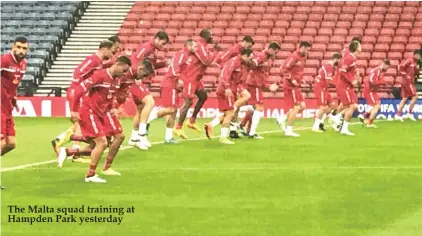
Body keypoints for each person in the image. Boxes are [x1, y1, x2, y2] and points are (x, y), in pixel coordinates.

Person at [63, 56, 131, 183]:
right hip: (90, 111)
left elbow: (109, 97)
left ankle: (69, 150)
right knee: (102, 143)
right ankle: (90, 175)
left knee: (113, 138)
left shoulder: (116, 80)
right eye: (124, 70)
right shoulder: (100, 75)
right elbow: (78, 90)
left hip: (103, 113)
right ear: (118, 64)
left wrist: (114, 109)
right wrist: (74, 110)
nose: (125, 73)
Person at [51, 41, 116, 160]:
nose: (112, 54)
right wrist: (78, 87)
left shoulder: (98, 61)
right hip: (78, 93)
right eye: (112, 51)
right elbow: (78, 72)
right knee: (83, 122)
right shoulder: (93, 60)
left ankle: (64, 141)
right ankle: (71, 147)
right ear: (105, 49)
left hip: (81, 93)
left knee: (82, 124)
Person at [147, 39, 197, 143]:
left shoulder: (187, 56)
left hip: (174, 85)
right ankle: (147, 120)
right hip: (170, 84)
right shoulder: (182, 54)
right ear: (188, 46)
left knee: (173, 112)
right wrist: (179, 78)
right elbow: (175, 67)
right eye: (194, 46)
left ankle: (168, 137)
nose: (196, 49)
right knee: (170, 109)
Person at [174, 29, 220, 138]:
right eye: (211, 35)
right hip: (190, 77)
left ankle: (192, 120)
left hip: (196, 78)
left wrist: (212, 51)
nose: (212, 37)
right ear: (206, 36)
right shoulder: (200, 46)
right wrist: (215, 52)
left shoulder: (203, 46)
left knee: (203, 96)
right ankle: (178, 127)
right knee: (188, 102)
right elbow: (206, 61)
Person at [208, 36, 255, 138]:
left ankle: (220, 127)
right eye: (249, 45)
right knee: (234, 108)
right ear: (245, 42)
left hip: (234, 83)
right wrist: (227, 84)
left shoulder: (242, 59)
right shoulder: (234, 53)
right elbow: (221, 62)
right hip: (230, 83)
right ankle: (226, 134)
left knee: (232, 111)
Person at [0, 36, 29, 190]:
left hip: (7, 108)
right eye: (18, 47)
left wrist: (14, 96)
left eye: (24, 48)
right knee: (2, 142)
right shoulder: (4, 60)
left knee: (11, 144)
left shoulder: (23, 64)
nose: (21, 51)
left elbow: (13, 84)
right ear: (13, 46)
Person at [239, 42, 281, 139]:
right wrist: (267, 86)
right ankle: (251, 132)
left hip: (256, 84)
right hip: (254, 85)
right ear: (271, 49)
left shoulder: (268, 59)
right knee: (259, 108)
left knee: (253, 109)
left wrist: (267, 86)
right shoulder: (262, 56)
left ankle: (243, 126)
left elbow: (261, 74)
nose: (276, 54)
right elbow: (253, 64)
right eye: (275, 52)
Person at [276, 41, 312, 137]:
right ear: (303, 48)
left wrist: (301, 79)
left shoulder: (303, 57)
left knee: (303, 107)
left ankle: (282, 119)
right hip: (290, 86)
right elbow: (283, 69)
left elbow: (297, 71)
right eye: (307, 50)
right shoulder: (294, 56)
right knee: (295, 108)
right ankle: (289, 130)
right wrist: (292, 80)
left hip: (297, 86)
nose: (308, 52)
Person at [123, 59, 156, 150]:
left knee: (140, 111)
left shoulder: (135, 73)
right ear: (140, 68)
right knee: (150, 102)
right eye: (144, 75)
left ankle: (134, 138)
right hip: (131, 86)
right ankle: (142, 134)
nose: (144, 77)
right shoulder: (129, 70)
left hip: (130, 86)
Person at [336, 41, 362, 136]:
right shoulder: (350, 58)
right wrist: (351, 81)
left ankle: (337, 118)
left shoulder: (353, 58)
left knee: (353, 106)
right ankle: (344, 128)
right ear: (356, 48)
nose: (361, 47)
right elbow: (342, 71)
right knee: (352, 106)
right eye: (360, 45)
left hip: (348, 86)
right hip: (344, 85)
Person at [312, 52, 342, 132]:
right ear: (336, 59)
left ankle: (328, 121)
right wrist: (339, 85)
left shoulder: (331, 67)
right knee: (322, 108)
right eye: (339, 61)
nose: (339, 63)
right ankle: (315, 127)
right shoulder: (329, 66)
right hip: (320, 87)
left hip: (325, 88)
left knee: (332, 105)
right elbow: (329, 81)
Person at [358, 59, 390, 128]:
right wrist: (382, 82)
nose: (387, 69)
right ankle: (368, 122)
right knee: (376, 105)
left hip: (372, 91)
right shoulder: (377, 71)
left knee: (376, 105)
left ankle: (364, 116)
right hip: (369, 90)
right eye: (387, 67)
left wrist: (381, 82)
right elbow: (372, 81)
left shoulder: (378, 71)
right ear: (384, 64)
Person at [395, 50, 421, 121]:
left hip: (407, 82)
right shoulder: (409, 60)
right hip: (407, 82)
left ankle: (398, 114)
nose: (420, 57)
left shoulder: (414, 62)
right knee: (415, 96)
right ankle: (409, 113)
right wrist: (406, 75)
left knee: (405, 98)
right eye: (419, 55)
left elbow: (415, 72)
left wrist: (417, 69)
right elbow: (400, 67)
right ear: (416, 55)